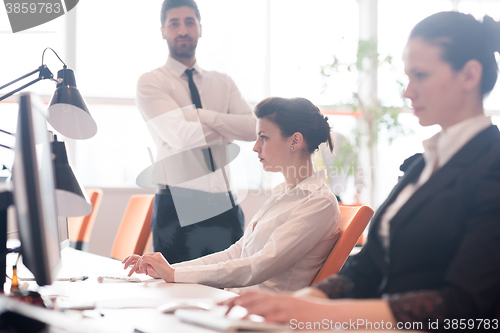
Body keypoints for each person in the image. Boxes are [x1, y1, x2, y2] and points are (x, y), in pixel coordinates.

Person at [221, 11, 500, 329]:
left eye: (420, 75)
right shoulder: (421, 167)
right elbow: (367, 269)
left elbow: (466, 308)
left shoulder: (492, 167)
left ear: (469, 75)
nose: (407, 91)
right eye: (407, 76)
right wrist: (298, 303)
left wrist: (322, 315)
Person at [124, 97, 341, 293]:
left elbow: (258, 266)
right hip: (233, 303)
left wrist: (174, 275)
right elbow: (236, 253)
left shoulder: (318, 203)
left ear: (295, 141)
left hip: (262, 318)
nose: (255, 147)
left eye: (264, 137)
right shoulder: (283, 194)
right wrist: (168, 270)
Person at [136, 0, 256, 264]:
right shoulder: (152, 82)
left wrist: (200, 115)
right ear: (163, 30)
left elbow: (252, 128)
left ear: (200, 28)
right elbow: (181, 137)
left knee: (227, 293)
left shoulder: (223, 82)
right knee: (174, 292)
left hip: (225, 204)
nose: (182, 30)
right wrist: (226, 126)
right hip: (177, 206)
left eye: (189, 22)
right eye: (174, 23)